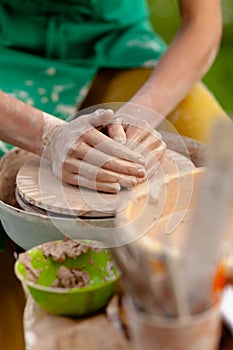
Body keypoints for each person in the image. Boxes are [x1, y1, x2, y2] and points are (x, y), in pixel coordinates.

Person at [0, 1, 231, 348]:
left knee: (215, 163)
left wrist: (141, 115)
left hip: (117, 46)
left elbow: (202, 21)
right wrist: (45, 135)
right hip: (8, 55)